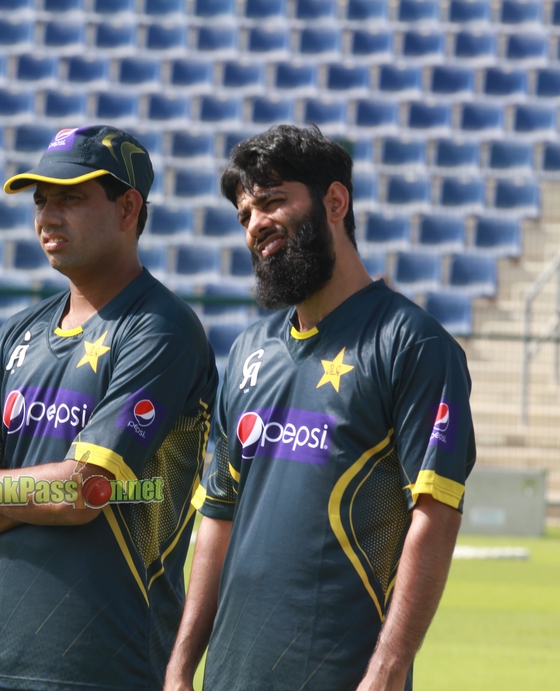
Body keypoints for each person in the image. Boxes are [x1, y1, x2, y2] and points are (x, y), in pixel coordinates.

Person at [164, 125, 476, 691]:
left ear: (335, 201)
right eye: (245, 214)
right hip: (230, 677)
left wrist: (384, 675)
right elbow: (217, 515)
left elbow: (436, 516)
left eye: (273, 201)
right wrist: (182, 667)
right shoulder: (247, 352)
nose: (255, 223)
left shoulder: (413, 344)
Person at [0, 125, 220, 691]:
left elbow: (84, 491)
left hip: (108, 667)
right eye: (41, 200)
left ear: (129, 208)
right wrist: (40, 490)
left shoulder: (161, 330)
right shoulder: (15, 337)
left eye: (71, 198)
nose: (47, 217)